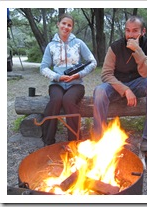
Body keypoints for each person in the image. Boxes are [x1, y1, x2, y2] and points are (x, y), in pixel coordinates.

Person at [93, 15, 147, 151]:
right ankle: (99, 137)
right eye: (127, 30)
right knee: (99, 91)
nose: (130, 34)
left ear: (143, 32)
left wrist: (137, 51)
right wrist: (125, 90)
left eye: (135, 30)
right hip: (117, 84)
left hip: (139, 83)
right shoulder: (115, 47)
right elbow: (106, 74)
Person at [40, 13, 97, 146]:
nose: (66, 27)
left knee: (68, 100)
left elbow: (92, 62)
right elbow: (43, 67)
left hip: (76, 84)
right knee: (56, 100)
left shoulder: (78, 43)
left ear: (72, 27)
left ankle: (75, 141)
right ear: (58, 24)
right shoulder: (51, 46)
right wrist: (57, 77)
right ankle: (48, 141)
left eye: (69, 25)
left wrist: (79, 75)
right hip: (57, 84)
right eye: (63, 23)